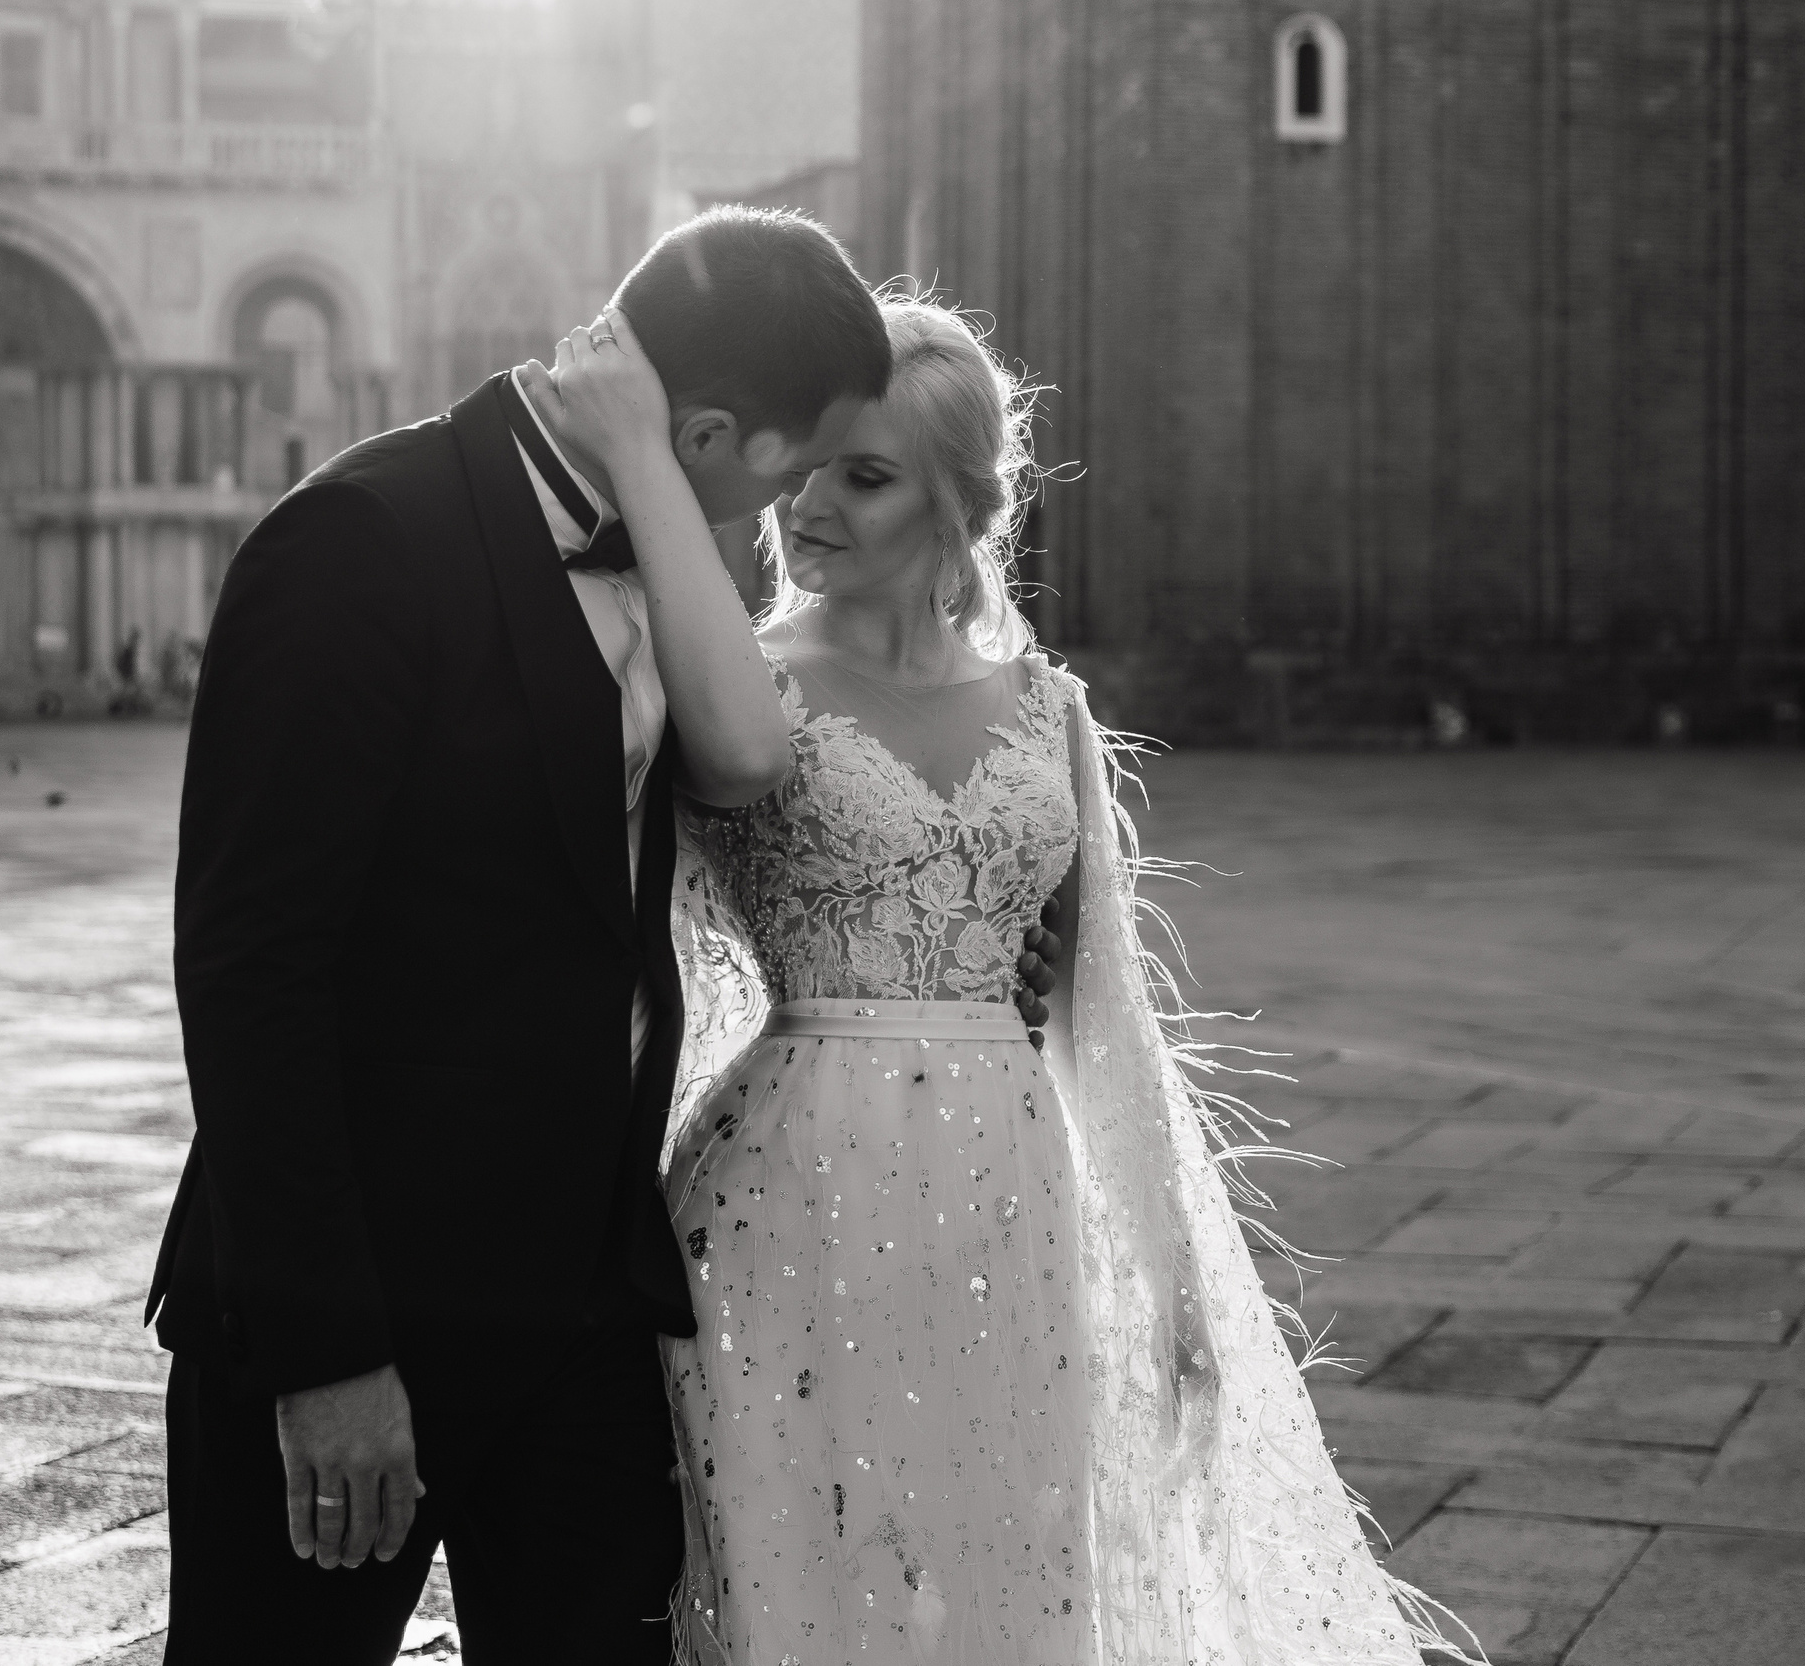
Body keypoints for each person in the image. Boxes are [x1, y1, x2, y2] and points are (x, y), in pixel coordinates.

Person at [148, 208, 1057, 1664]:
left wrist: (965, 930)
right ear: (705, 436)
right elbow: (251, 971)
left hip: (587, 1314)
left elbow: (757, 783)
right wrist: (332, 1358)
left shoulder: (673, 559)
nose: (802, 502)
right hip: (360, 1313)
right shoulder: (360, 543)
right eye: (795, 461)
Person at [541, 293, 1469, 1664]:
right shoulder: (729, 688)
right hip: (782, 1199)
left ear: (960, 506)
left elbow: (1111, 1017)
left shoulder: (1051, 708)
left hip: (1005, 1198)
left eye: (865, 477)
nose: (808, 507)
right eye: (805, 473)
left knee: (1009, 1577)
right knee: (800, 1583)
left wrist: (1172, 1284)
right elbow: (598, 929)